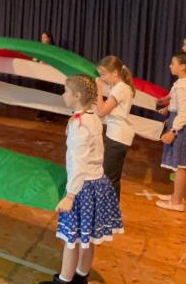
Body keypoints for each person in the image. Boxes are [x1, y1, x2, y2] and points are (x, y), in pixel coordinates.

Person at [40, 74, 123, 284]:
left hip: (82, 188)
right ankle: (81, 276)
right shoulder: (91, 117)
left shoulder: (80, 126)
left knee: (72, 240)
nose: (63, 95)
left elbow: (78, 163)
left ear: (77, 95)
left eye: (66, 91)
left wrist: (70, 195)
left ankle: (64, 280)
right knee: (88, 238)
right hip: (97, 184)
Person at [156, 52, 186, 212]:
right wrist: (168, 106)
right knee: (179, 164)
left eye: (173, 63)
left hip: (183, 127)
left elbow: (184, 112)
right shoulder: (185, 82)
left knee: (180, 165)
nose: (170, 66)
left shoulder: (184, 86)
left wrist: (173, 131)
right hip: (183, 124)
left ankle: (176, 202)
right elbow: (180, 102)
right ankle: (177, 195)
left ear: (182, 66)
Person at [94, 56, 135, 199]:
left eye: (103, 74)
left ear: (115, 73)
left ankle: (110, 209)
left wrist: (99, 89)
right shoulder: (120, 87)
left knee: (110, 177)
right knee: (112, 175)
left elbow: (101, 112)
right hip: (118, 135)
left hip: (118, 137)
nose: (102, 78)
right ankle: (111, 208)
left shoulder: (120, 89)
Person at [36, 31, 56, 122]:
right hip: (40, 75)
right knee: (41, 94)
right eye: (42, 37)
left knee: (49, 95)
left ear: (49, 38)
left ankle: (49, 115)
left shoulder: (53, 49)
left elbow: (54, 61)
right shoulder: (39, 48)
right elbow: (36, 59)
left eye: (44, 37)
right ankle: (41, 112)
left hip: (49, 75)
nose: (43, 39)